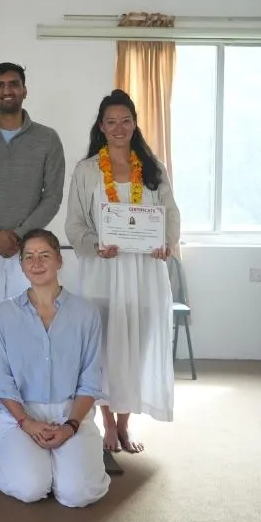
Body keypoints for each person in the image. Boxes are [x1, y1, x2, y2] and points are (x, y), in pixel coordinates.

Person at [65, 89, 180, 453]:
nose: (118, 128)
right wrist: (94, 246)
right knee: (101, 353)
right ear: (101, 126)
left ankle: (126, 424)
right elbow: (75, 223)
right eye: (111, 122)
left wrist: (166, 242)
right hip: (102, 272)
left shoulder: (153, 168)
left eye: (125, 121)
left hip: (144, 276)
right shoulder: (86, 171)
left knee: (135, 351)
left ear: (134, 124)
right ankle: (107, 424)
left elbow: (170, 214)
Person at [0, 63, 65, 435]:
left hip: (30, 253)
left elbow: (52, 197)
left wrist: (19, 236)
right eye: (0, 85)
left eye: (14, 84)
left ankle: (29, 405)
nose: (7, 90)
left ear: (24, 90)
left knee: (30, 329)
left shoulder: (48, 139)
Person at [0, 229, 109, 508]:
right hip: (22, 413)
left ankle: (61, 466)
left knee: (77, 494)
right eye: (29, 257)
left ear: (59, 261)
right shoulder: (5, 313)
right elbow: (2, 379)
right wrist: (27, 422)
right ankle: (35, 465)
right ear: (20, 265)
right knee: (30, 488)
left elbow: (91, 379)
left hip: (70, 411)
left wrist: (70, 426)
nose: (36, 262)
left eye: (44, 255)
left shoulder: (86, 313)